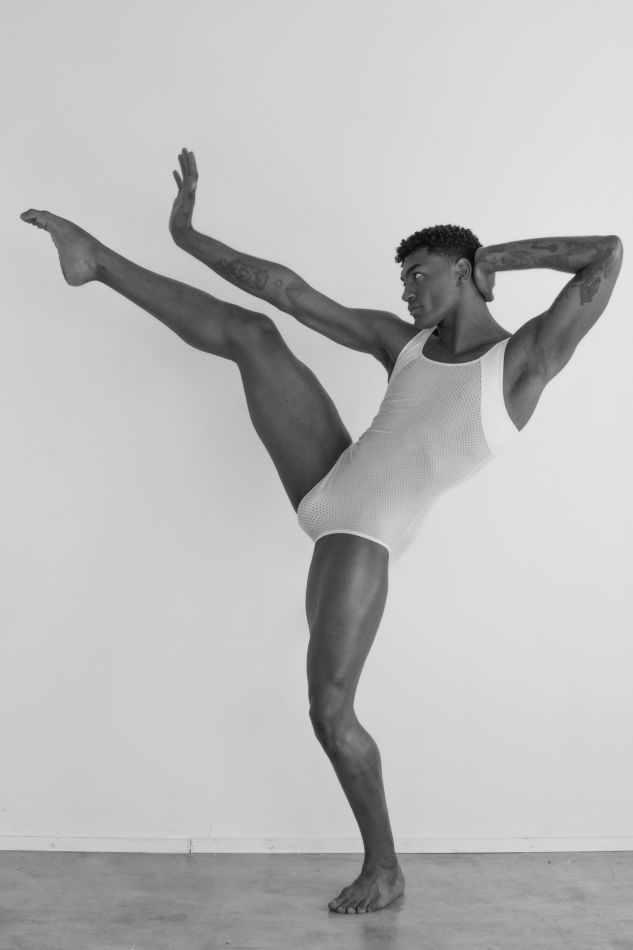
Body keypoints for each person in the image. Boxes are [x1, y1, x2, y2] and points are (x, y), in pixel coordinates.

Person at [20, 148, 623, 914]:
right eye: (402, 280)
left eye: (419, 275)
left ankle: (385, 868)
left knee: (330, 712)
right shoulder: (402, 344)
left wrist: (497, 256)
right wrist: (186, 236)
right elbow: (289, 292)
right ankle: (97, 261)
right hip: (329, 479)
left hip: (366, 532)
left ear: (463, 271)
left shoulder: (521, 361)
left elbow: (606, 255)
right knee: (254, 330)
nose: (406, 291)